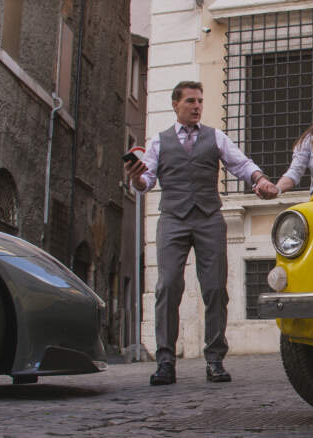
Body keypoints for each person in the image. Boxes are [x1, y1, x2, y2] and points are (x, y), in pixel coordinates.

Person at [124, 81, 278, 386]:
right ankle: (165, 361)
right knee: (167, 287)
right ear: (175, 104)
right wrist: (137, 180)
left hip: (209, 218)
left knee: (215, 289)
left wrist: (260, 180)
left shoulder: (215, 136)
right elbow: (147, 181)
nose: (197, 106)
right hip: (173, 220)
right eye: (191, 101)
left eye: (200, 101)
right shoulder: (158, 142)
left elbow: (241, 164)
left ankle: (215, 360)